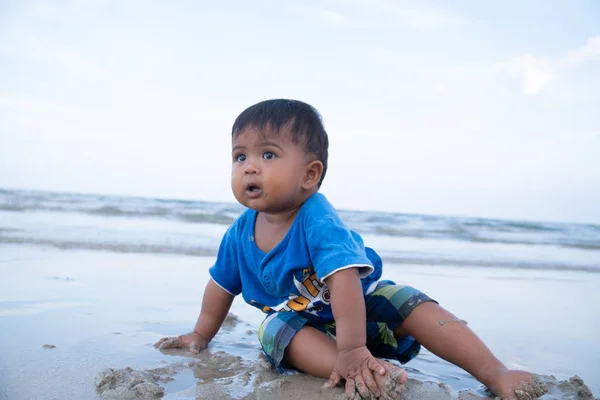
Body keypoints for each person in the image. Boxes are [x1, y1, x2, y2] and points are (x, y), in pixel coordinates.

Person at [154, 99, 547, 400]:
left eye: (268, 155)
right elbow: (220, 287)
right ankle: (364, 374)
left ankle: (493, 371)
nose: (249, 167)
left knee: (407, 299)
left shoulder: (316, 217)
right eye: (240, 156)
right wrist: (200, 335)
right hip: (308, 329)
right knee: (273, 328)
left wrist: (355, 346)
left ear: (311, 175)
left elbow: (343, 279)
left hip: (362, 311)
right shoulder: (239, 234)